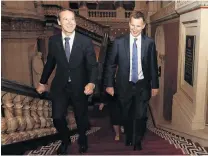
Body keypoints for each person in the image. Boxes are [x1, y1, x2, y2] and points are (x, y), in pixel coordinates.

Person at [36, 9, 98, 154]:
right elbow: (50, 63)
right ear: (59, 22)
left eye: (72, 19)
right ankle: (65, 140)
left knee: (81, 118)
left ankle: (83, 140)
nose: (70, 23)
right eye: (66, 19)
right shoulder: (54, 41)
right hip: (60, 86)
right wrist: (42, 82)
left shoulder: (85, 41)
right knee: (57, 118)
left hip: (80, 86)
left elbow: (92, 66)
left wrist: (92, 83)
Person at [104, 11, 159, 151]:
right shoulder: (118, 42)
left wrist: (155, 85)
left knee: (140, 115)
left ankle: (137, 139)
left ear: (144, 26)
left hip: (142, 85)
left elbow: (153, 65)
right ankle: (129, 135)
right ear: (129, 24)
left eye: (138, 26)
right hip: (124, 85)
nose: (135, 29)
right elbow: (111, 65)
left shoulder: (150, 43)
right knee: (126, 114)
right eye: (132, 25)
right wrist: (109, 84)